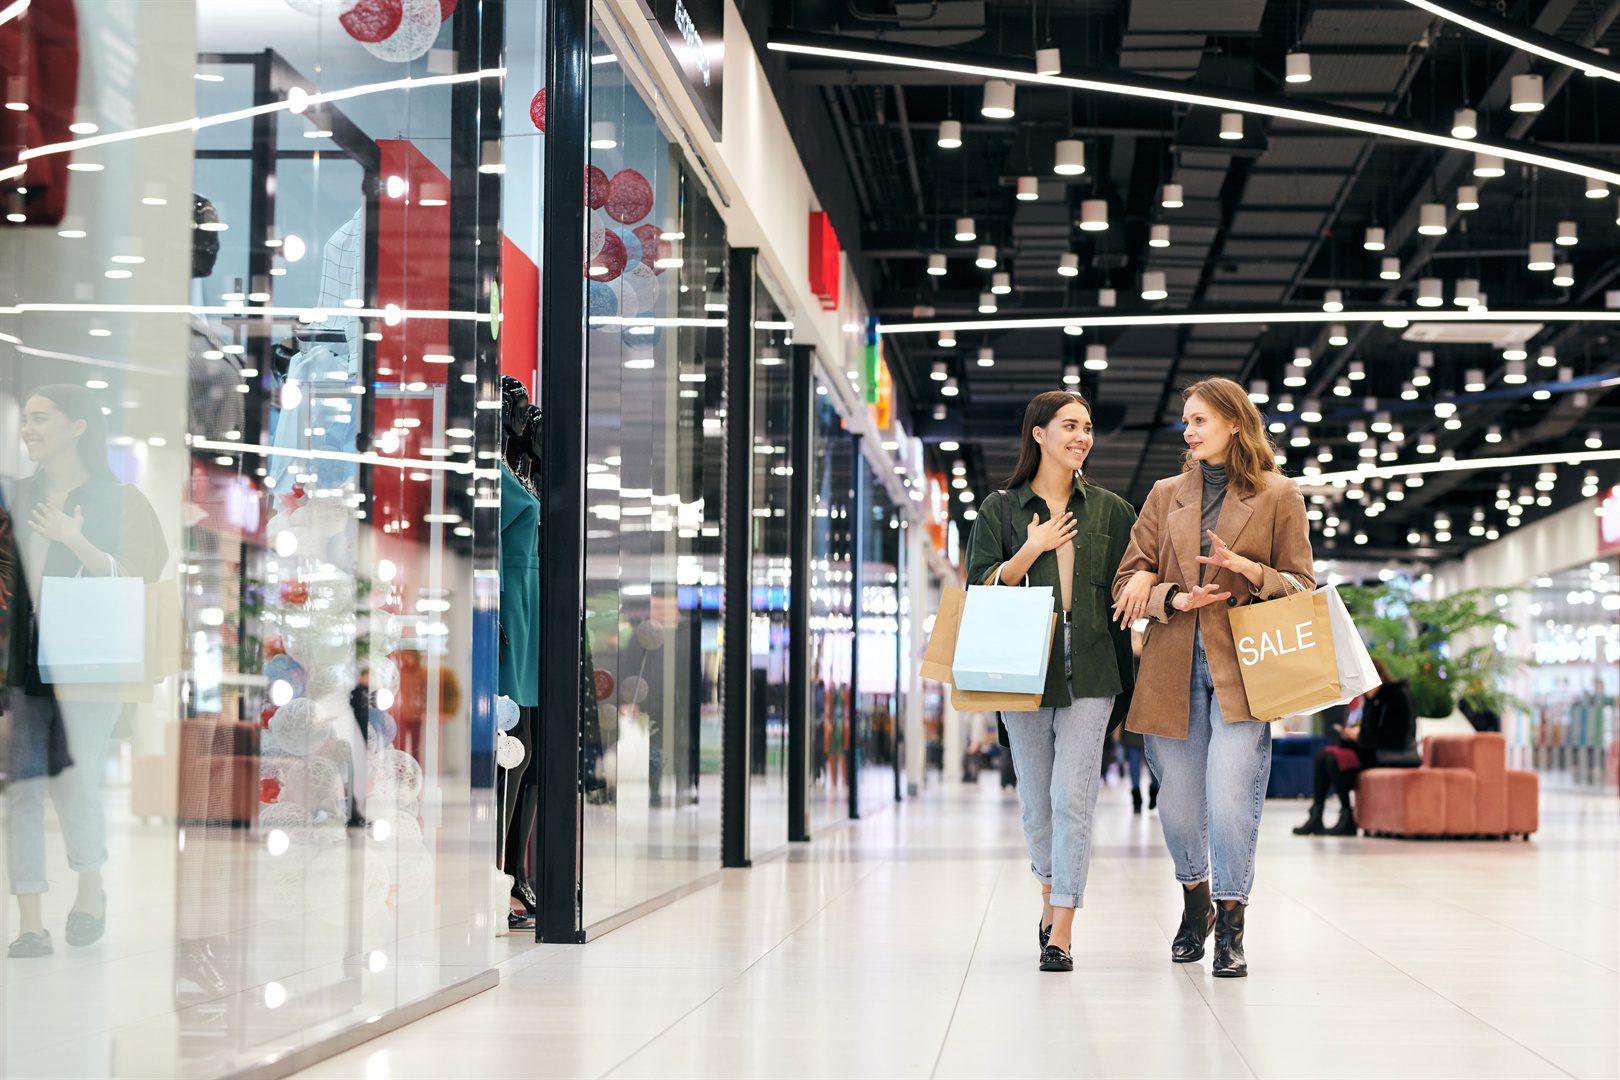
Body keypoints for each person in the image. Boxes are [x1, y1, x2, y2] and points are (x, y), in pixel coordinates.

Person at [1111, 377, 1315, 979]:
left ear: (1233, 423)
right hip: (1171, 664)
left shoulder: (1279, 495)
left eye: (1200, 419)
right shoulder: (1164, 494)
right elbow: (1126, 584)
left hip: (1244, 669)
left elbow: (1303, 586)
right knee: (1176, 805)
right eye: (1186, 420)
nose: (1189, 430)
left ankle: (1231, 922)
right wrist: (1169, 594)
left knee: (1230, 800)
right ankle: (1194, 897)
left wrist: (1244, 568)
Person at [964, 390, 1137, 973]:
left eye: (1087, 427)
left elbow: (1134, 575)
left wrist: (1150, 585)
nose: (1082, 437)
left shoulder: (1112, 510)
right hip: (1021, 668)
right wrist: (1029, 552)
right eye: (1070, 426)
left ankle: (1061, 927)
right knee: (1037, 802)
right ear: (1038, 434)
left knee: (1073, 797)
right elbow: (977, 589)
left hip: (1092, 664)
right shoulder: (1001, 510)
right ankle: (1047, 894)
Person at [5, 385, 167, 958]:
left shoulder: (117, 500)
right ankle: (29, 921)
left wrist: (76, 540)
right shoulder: (15, 496)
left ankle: (89, 888)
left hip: (90, 664)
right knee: (21, 788)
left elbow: (145, 572)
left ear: (78, 427)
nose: (29, 428)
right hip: (23, 667)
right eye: (26, 418)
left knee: (75, 783)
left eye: (41, 417)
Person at [1295, 657, 1418, 836]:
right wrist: (1351, 735)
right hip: (1371, 750)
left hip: (1390, 753)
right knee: (1324, 755)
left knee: (1333, 760)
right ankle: (1317, 815)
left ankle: (1347, 817)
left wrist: (1360, 735)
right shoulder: (1372, 698)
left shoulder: (1396, 696)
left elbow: (1397, 736)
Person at [1120, 628, 1160, 814]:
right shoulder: (1127, 662)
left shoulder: (1151, 660)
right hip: (1131, 719)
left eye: (1137, 638)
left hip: (1150, 718)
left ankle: (1154, 790)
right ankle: (1136, 794)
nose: (1134, 642)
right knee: (1134, 759)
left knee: (1152, 757)